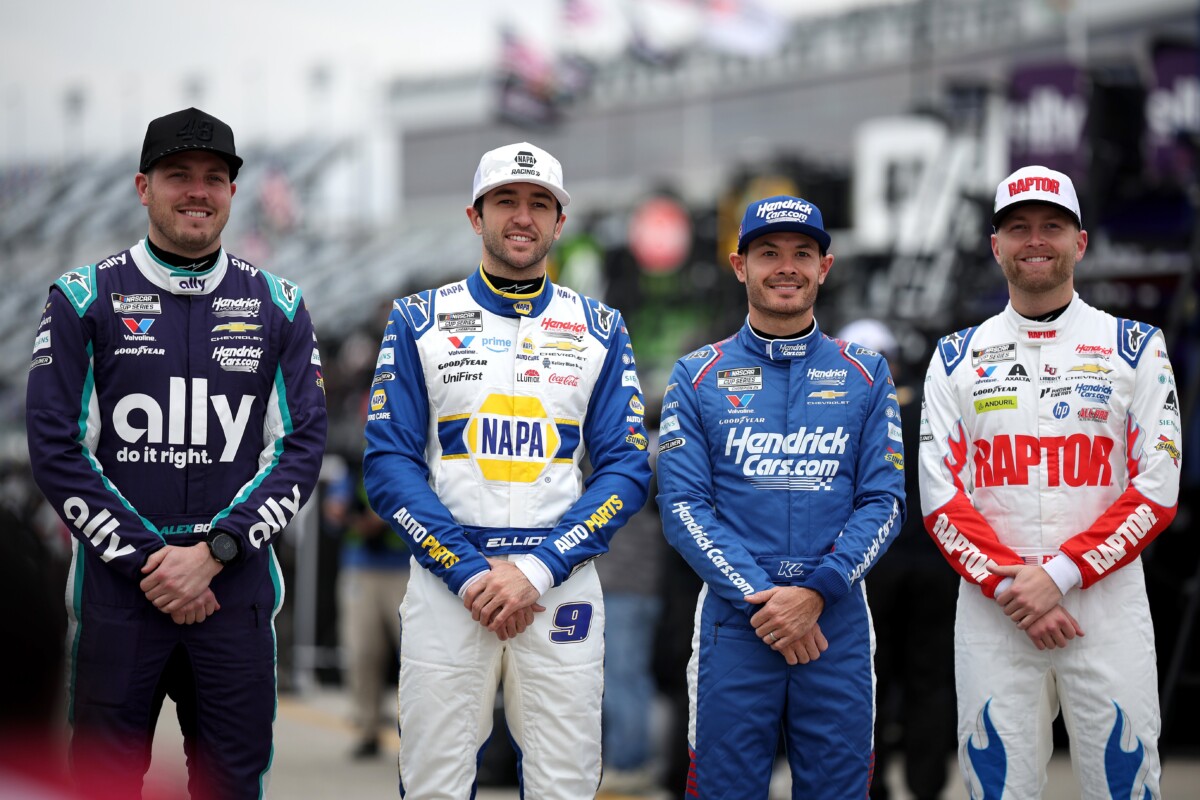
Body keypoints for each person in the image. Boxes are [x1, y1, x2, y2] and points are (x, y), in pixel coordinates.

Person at [25, 107, 328, 800]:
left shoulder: (279, 305)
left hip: (236, 593)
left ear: (231, 192)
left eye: (214, 178)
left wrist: (214, 553)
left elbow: (301, 446)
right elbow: (56, 447)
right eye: (178, 175)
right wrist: (156, 565)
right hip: (119, 597)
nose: (197, 190)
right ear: (142, 187)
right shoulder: (81, 300)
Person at [362, 141, 652, 799]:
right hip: (446, 584)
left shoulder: (600, 326)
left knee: (566, 785)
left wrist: (537, 571)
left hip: (560, 587)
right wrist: (467, 574)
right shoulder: (417, 320)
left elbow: (626, 470)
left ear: (559, 223)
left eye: (538, 204)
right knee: (434, 784)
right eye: (505, 202)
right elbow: (387, 465)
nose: (521, 217)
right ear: (475, 216)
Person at [918, 165, 1181, 799]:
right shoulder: (956, 356)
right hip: (994, 612)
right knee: (996, 791)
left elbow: (1158, 485)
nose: (1036, 240)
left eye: (1052, 227)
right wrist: (1017, 586)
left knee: (1127, 790)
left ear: (1080, 242)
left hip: (1107, 609)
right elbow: (939, 497)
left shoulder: (1137, 347)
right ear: (996, 247)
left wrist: (1059, 576)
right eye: (1019, 228)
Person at [655, 195, 906, 798]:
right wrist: (763, 600)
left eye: (803, 253)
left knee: (840, 790)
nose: (786, 266)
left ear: (826, 265)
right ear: (740, 265)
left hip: (835, 617)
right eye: (769, 253)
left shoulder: (867, 373)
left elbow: (886, 500)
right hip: (736, 620)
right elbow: (683, 507)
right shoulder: (697, 375)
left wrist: (817, 593)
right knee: (723, 790)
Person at [839, 320, 956, 800]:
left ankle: (875, 785)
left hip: (874, 565)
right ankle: (926, 786)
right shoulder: (932, 408)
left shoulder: (845, 410)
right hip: (934, 561)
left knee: (871, 677)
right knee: (931, 678)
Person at [325, 454, 409, 759]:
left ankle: (415, 731)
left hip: (406, 569)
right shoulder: (351, 465)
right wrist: (342, 515)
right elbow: (333, 513)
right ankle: (367, 729)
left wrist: (385, 518)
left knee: (414, 654)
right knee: (361, 651)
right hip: (360, 568)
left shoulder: (410, 458)